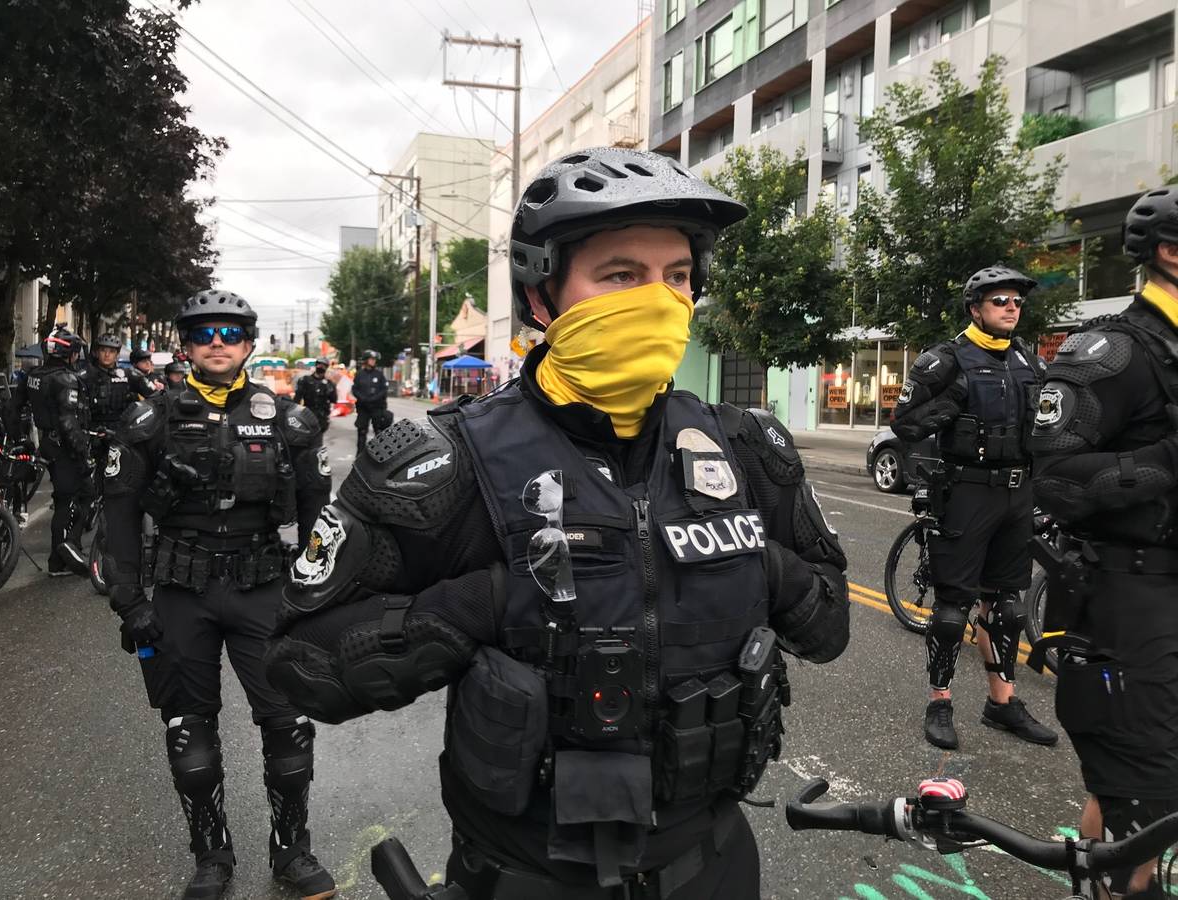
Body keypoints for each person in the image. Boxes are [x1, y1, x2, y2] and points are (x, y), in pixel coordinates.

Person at [265, 147, 850, 900]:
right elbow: (299, 662)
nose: (659, 301)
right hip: (529, 875)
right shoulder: (446, 461)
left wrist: (756, 566)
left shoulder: (746, 446)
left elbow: (830, 625)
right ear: (542, 297)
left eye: (676, 276)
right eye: (620, 276)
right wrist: (486, 605)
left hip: (712, 864)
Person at [102, 290, 336, 900]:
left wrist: (316, 597)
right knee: (189, 733)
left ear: (249, 344)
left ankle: (292, 853)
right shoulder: (149, 420)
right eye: (204, 333)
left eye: (230, 333)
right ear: (185, 344)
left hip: (263, 589)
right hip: (182, 592)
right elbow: (120, 518)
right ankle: (212, 858)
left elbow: (320, 520)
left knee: (289, 723)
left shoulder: (288, 421)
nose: (217, 343)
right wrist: (130, 601)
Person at [1031, 185, 1178, 899]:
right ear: (1170, 254)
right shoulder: (1113, 351)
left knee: (1136, 778)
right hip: (1128, 597)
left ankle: (1096, 878)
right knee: (1145, 788)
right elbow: (1056, 477)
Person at [891, 265, 1057, 751]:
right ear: (975, 308)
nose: (1011, 308)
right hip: (966, 494)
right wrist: (955, 405)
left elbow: (1047, 425)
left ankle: (1001, 704)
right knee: (951, 609)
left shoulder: (1027, 359)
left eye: (1016, 302)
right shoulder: (947, 360)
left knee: (1006, 607)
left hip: (1017, 494)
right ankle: (939, 702)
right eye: (1001, 300)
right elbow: (905, 423)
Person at [12, 327, 92, 576]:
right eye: (76, 352)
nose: (78, 357)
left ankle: (65, 552)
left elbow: (11, 408)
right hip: (65, 447)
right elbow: (69, 422)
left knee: (64, 498)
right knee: (78, 496)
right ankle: (61, 557)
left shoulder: (32, 375)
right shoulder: (66, 379)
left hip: (46, 443)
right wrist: (83, 454)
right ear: (69, 354)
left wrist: (22, 440)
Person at [350, 349, 389, 455]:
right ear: (366, 360)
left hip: (377, 407)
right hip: (363, 408)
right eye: (371, 359)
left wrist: (374, 398)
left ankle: (380, 454)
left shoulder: (379, 374)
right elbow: (355, 389)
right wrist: (362, 398)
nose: (373, 361)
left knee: (379, 432)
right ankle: (360, 455)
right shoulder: (359, 374)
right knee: (362, 432)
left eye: (374, 359)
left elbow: (384, 390)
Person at [293, 357, 335, 433]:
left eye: (323, 366)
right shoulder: (305, 380)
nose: (321, 367)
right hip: (308, 413)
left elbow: (334, 399)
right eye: (319, 365)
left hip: (322, 415)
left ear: (326, 368)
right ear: (316, 365)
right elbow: (297, 398)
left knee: (318, 438)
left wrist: (330, 390)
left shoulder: (329, 383)